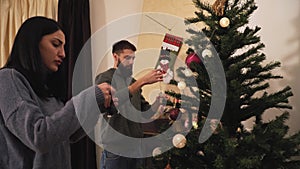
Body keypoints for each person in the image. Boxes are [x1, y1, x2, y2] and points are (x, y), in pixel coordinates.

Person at [0, 16, 115, 169]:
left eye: (63, 47)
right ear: (33, 43)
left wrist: (96, 106)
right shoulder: (7, 78)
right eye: (56, 44)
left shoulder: (46, 89)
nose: (63, 54)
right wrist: (88, 98)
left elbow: (68, 134)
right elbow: (38, 136)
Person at [95, 40, 165, 169]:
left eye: (133, 58)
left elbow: (146, 113)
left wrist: (157, 103)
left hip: (135, 148)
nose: (131, 62)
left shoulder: (133, 82)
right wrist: (142, 81)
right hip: (116, 149)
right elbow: (110, 105)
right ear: (115, 57)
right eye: (127, 58)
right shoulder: (105, 78)